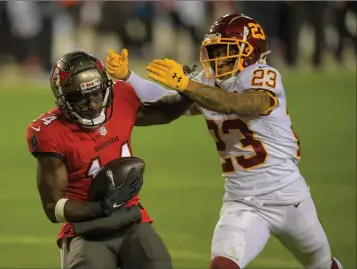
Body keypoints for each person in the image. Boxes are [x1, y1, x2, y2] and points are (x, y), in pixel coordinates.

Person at [105, 13, 343, 269]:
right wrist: (129, 77)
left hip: (289, 197)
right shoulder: (210, 82)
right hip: (242, 201)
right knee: (222, 265)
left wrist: (187, 84)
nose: (217, 58)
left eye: (225, 50)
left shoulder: (262, 75)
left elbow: (242, 104)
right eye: (214, 50)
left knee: (322, 265)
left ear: (250, 52)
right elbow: (166, 100)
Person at [25, 51, 192, 269]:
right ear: (62, 99)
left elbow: (164, 113)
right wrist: (101, 207)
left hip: (131, 217)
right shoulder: (50, 132)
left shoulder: (121, 98)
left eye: (96, 94)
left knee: (158, 263)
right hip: (85, 229)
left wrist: (188, 88)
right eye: (81, 99)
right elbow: (52, 207)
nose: (92, 104)